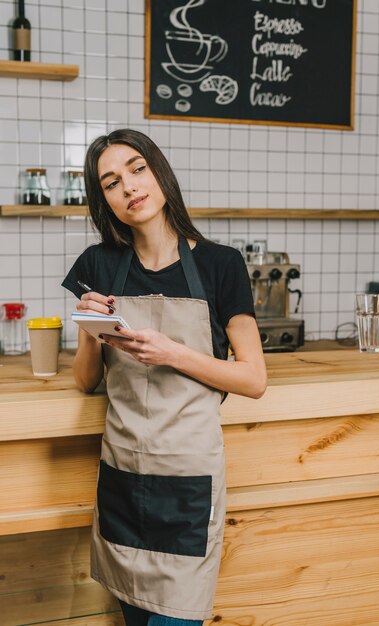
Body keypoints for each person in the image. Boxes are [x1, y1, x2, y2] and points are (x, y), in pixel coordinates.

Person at [62, 128, 267, 626]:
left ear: (159, 172)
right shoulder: (98, 264)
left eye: (137, 169)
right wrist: (90, 326)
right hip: (124, 474)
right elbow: (86, 381)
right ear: (102, 199)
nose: (129, 187)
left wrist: (172, 352)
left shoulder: (220, 264)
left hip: (187, 479)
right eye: (110, 182)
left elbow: (253, 377)